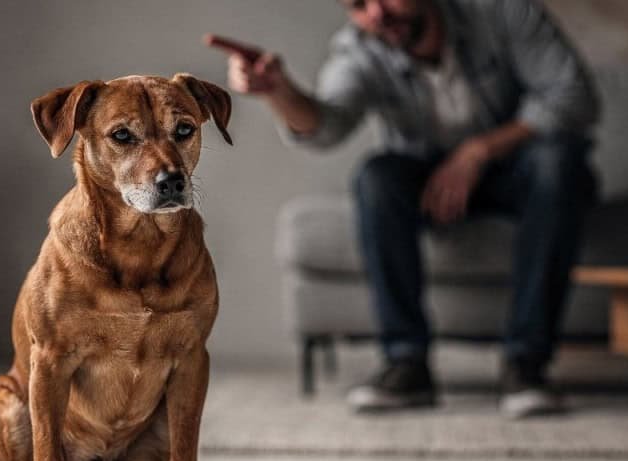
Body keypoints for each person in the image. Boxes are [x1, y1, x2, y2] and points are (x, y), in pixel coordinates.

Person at [207, 0, 599, 418]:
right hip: (428, 183)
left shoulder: (502, 12)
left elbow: (573, 95)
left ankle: (527, 365)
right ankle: (406, 361)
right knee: (376, 177)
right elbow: (327, 126)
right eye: (358, 5)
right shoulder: (359, 49)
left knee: (559, 164)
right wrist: (278, 91)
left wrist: (477, 152)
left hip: (519, 170)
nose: (376, 13)